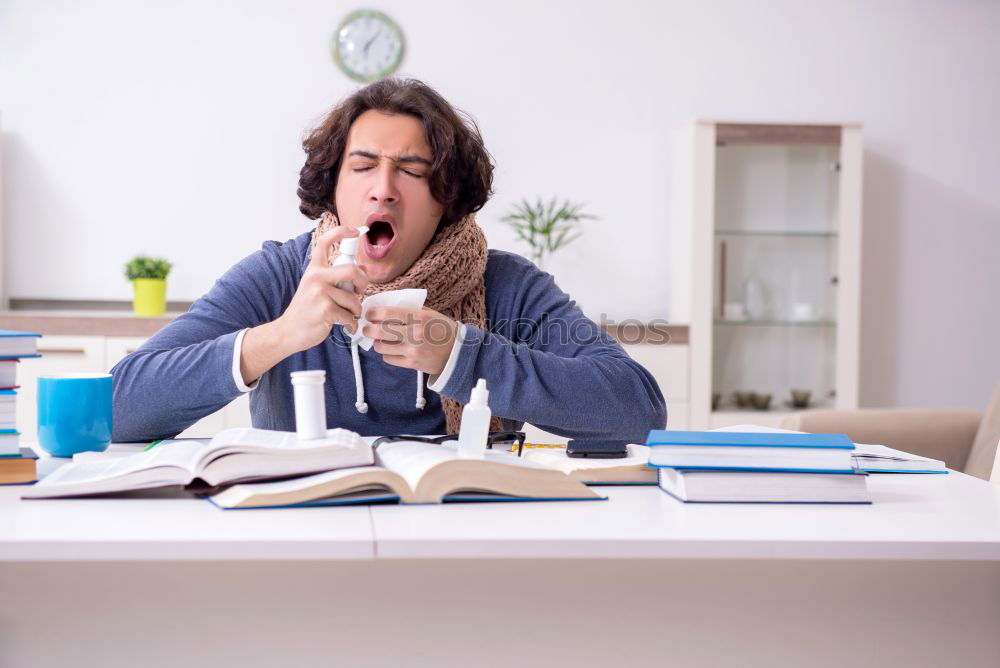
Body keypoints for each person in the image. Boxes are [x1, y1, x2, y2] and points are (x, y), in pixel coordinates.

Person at [110, 78, 666, 443]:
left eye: (412, 170)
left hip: (465, 541)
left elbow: (638, 411)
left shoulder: (507, 285)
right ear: (333, 188)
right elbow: (116, 408)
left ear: (445, 197)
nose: (384, 190)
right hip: (302, 542)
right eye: (362, 166)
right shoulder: (278, 277)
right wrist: (278, 337)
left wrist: (463, 354)